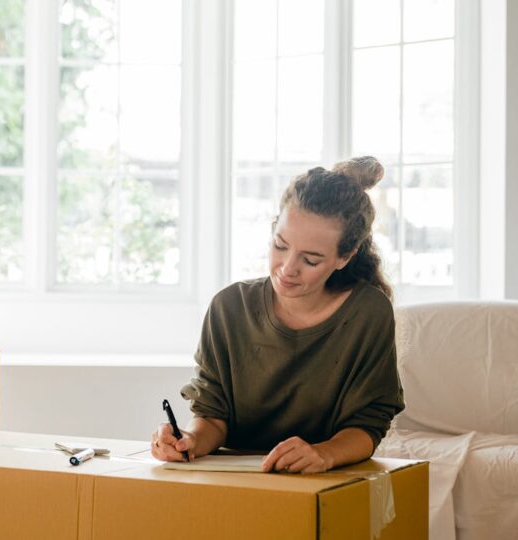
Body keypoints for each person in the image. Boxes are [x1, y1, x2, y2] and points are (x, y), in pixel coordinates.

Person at [151, 156, 404, 474]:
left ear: (345, 257)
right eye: (280, 245)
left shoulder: (368, 313)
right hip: (233, 481)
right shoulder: (228, 307)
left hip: (324, 480)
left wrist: (323, 454)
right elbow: (212, 416)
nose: (287, 269)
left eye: (310, 260)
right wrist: (187, 441)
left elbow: (368, 424)